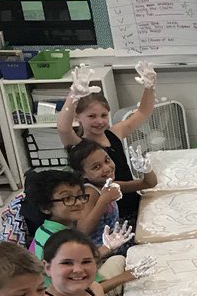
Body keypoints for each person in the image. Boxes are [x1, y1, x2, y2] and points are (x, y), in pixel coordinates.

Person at [56, 61, 157, 223]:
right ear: (77, 117)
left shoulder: (114, 132)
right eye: (91, 116)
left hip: (131, 201)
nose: (99, 121)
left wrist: (149, 87)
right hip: (106, 212)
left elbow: (143, 112)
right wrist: (73, 96)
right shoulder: (78, 144)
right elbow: (62, 128)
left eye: (104, 115)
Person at [21, 171, 134, 295]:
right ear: (45, 208)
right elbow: (85, 291)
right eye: (67, 198)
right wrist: (126, 277)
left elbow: (74, 261)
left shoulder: (43, 230)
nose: (79, 203)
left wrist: (106, 248)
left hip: (67, 291)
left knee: (118, 260)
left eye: (80, 196)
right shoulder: (61, 241)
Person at [67, 138, 157, 248]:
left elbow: (148, 183)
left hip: (117, 241)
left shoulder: (109, 185)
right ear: (83, 174)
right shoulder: (90, 192)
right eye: (96, 167)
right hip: (103, 251)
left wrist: (146, 169)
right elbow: (82, 231)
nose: (106, 168)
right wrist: (103, 201)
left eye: (107, 160)